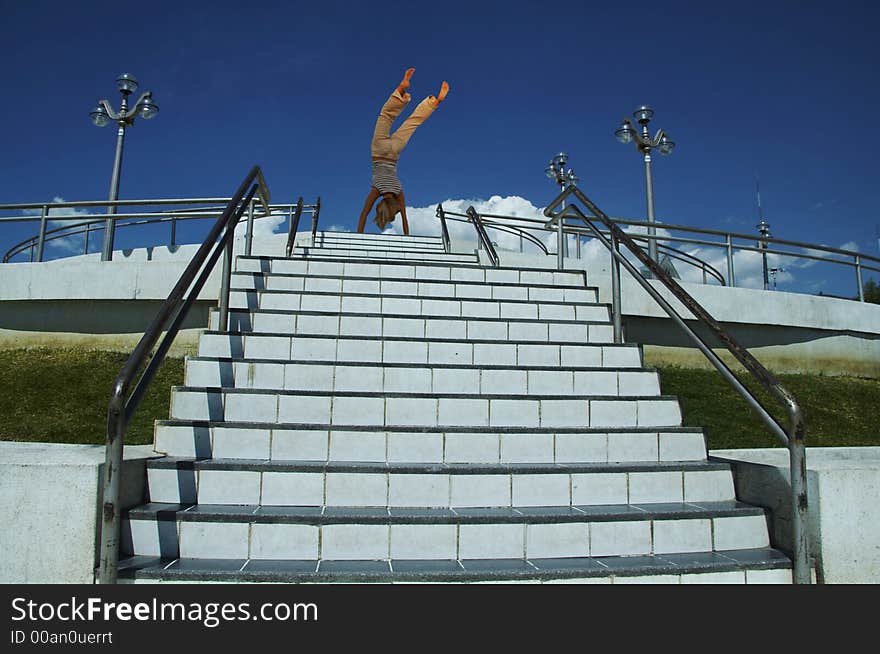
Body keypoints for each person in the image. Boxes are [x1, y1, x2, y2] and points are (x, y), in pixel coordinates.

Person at [357, 67, 449, 235]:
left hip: (394, 154)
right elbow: (364, 213)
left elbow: (405, 219)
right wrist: (359, 235)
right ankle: (401, 88)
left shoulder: (399, 190)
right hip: (379, 152)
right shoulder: (377, 188)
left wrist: (407, 237)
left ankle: (433, 103)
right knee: (386, 116)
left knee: (412, 124)